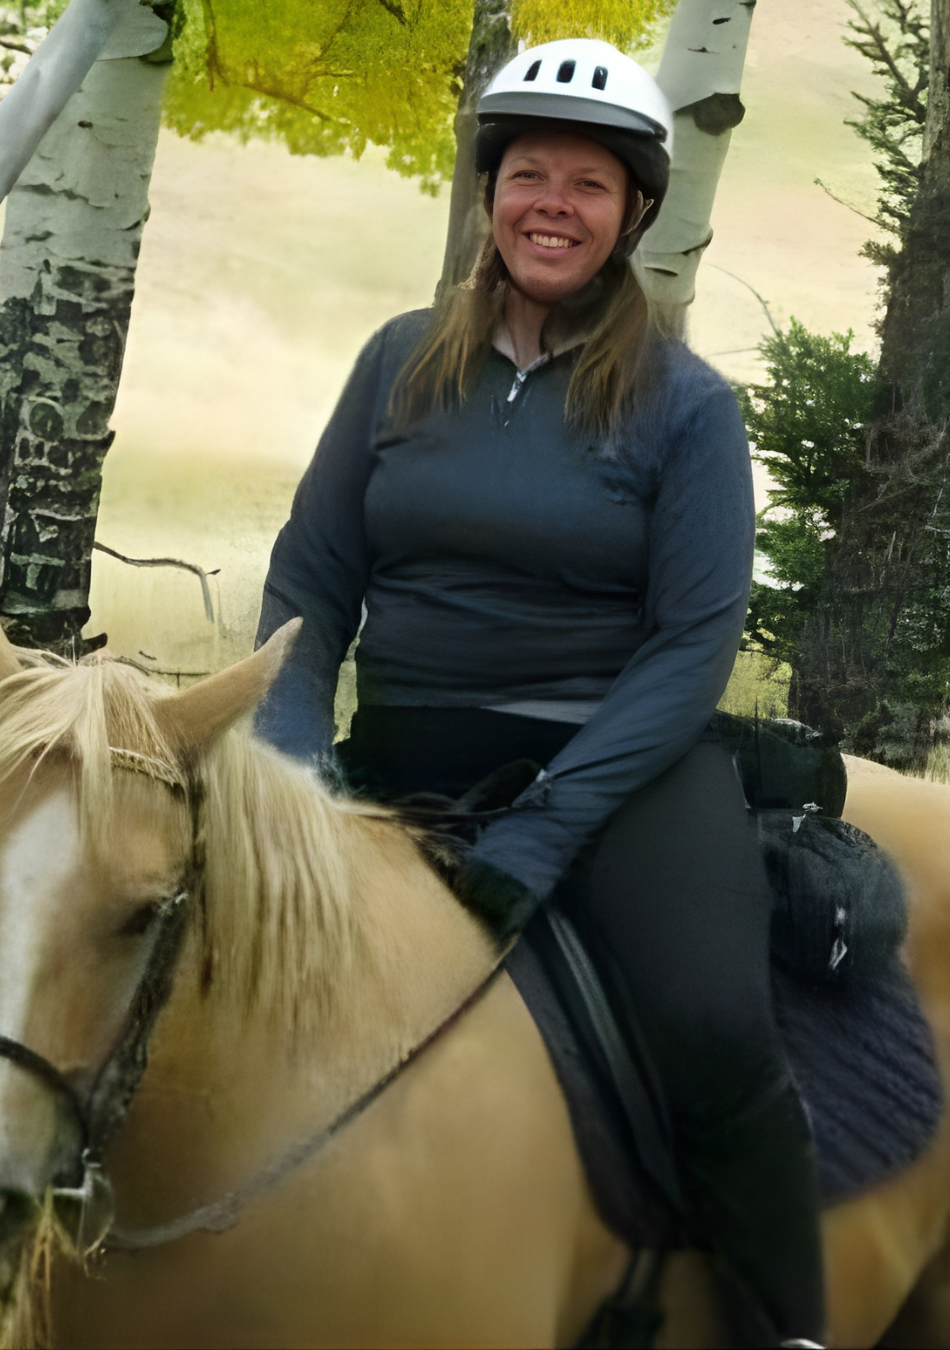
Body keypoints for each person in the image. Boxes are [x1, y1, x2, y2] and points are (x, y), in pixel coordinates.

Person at [254, 37, 825, 1349]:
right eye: (526, 174)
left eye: (588, 182)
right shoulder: (400, 361)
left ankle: (784, 1319)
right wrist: (291, 766)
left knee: (708, 1017)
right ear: (487, 191)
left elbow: (692, 644)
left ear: (632, 216)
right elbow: (312, 580)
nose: (551, 203)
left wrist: (543, 829)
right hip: (399, 747)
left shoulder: (686, 407)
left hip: (618, 767)